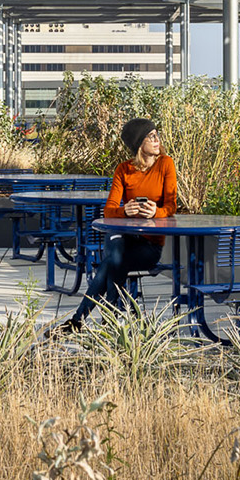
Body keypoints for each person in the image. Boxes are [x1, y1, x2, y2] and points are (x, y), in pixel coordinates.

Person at [53, 117, 177, 333]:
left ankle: (81, 320)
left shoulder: (166, 164)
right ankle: (109, 321)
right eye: (151, 136)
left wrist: (157, 212)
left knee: (111, 262)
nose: (157, 140)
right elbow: (109, 211)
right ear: (139, 144)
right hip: (124, 238)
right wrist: (124, 211)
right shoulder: (124, 170)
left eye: (157, 135)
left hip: (149, 245)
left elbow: (171, 205)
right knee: (115, 248)